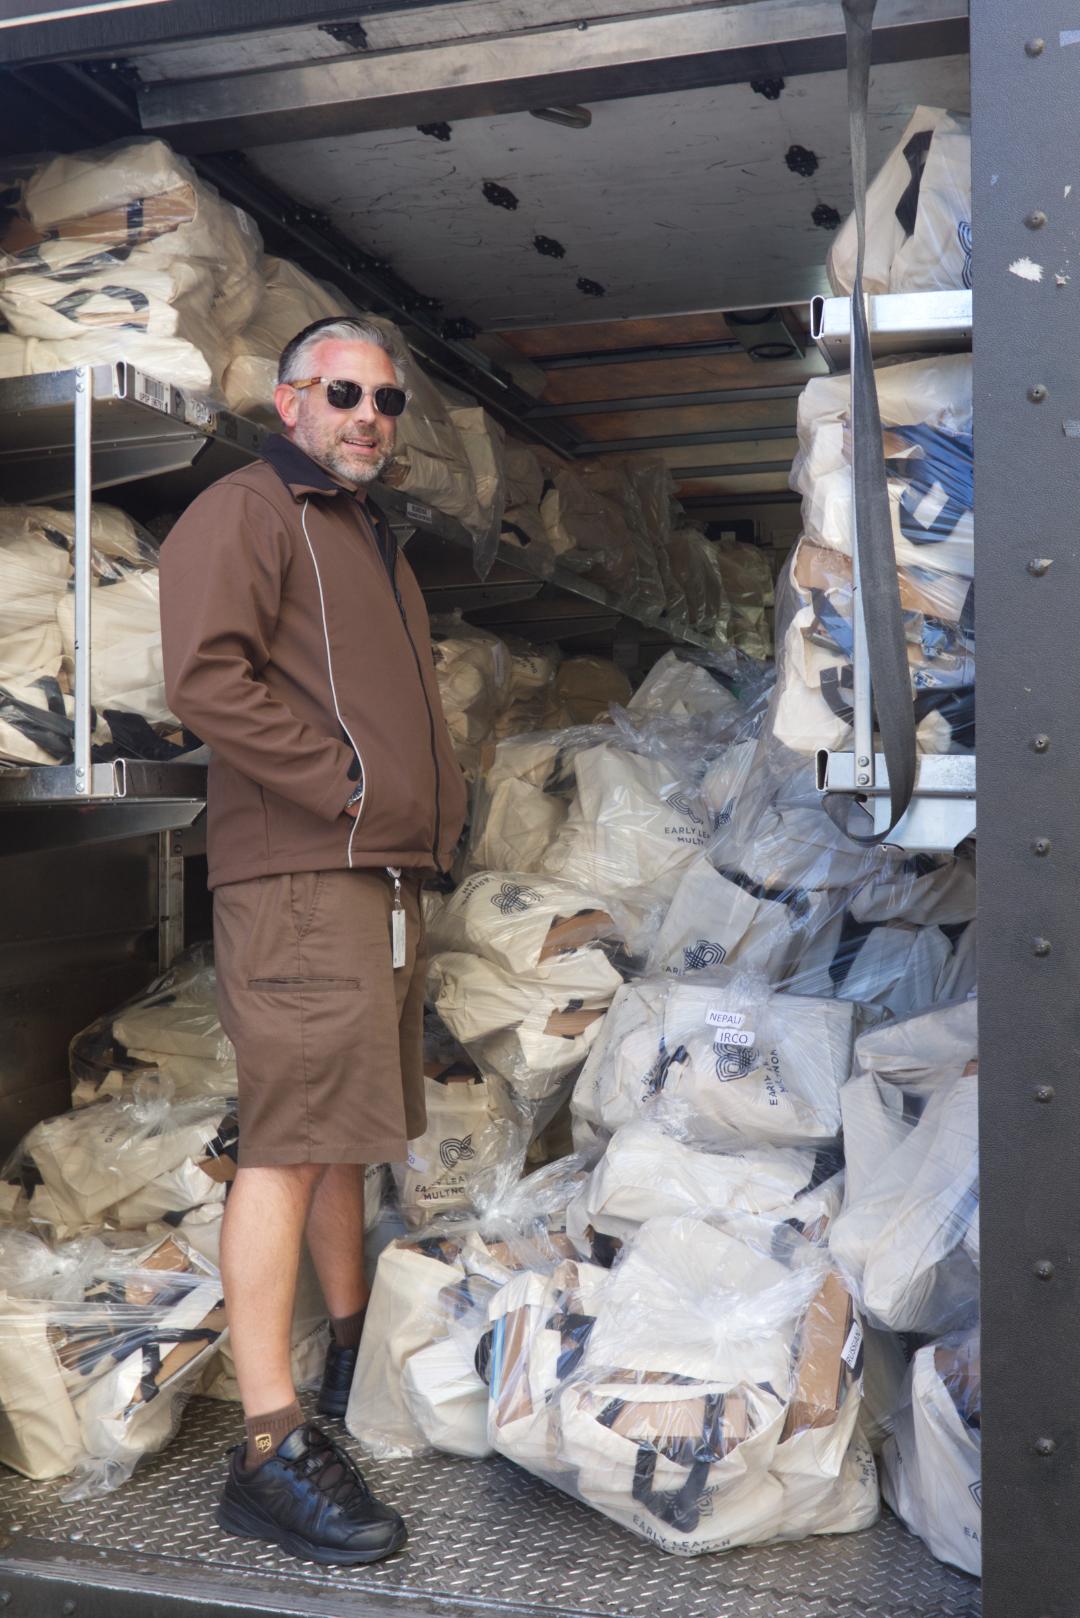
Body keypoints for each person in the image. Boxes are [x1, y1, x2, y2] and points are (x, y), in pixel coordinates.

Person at [160, 316, 467, 1565]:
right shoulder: (247, 510)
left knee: (346, 1132)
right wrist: (342, 783)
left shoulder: (368, 537)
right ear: (287, 401)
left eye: (386, 403)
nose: (368, 419)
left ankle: (346, 1355)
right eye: (344, 393)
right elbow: (205, 678)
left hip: (373, 875)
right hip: (301, 872)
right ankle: (269, 1448)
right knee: (289, 1142)